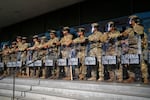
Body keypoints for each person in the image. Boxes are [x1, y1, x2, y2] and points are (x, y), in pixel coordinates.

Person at [122, 15, 149, 84]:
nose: (130, 22)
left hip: (138, 49)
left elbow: (138, 38)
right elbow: (124, 36)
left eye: (131, 20)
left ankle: (145, 78)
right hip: (130, 49)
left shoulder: (139, 28)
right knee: (130, 64)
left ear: (134, 21)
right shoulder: (130, 29)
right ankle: (132, 77)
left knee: (142, 63)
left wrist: (128, 41)